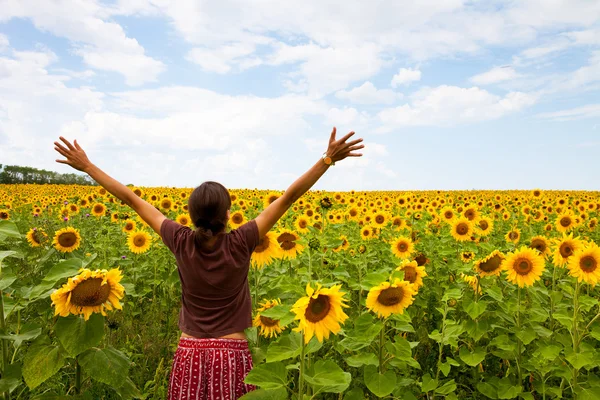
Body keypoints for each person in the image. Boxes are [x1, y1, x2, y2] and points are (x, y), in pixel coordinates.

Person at [53, 127, 364, 399]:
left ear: (190, 215)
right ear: (228, 214)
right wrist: (327, 160)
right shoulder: (243, 241)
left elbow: (131, 200)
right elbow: (288, 198)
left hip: (189, 354)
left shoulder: (180, 240)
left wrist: (88, 166)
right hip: (231, 353)